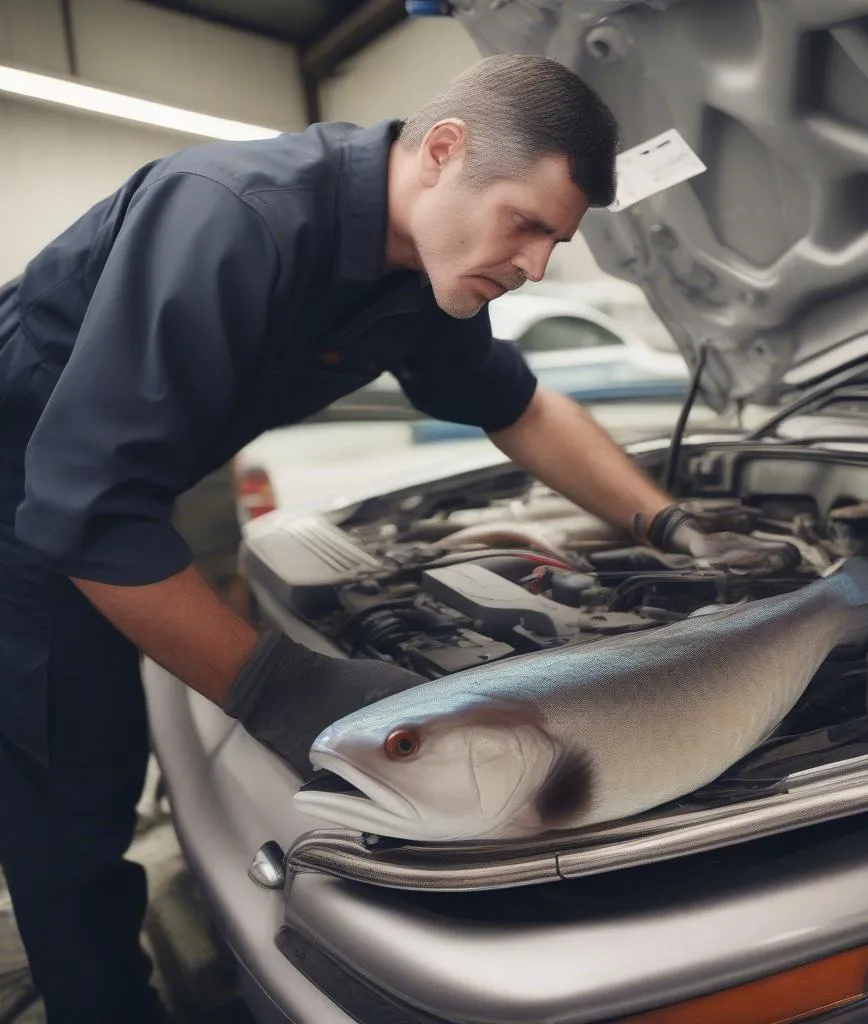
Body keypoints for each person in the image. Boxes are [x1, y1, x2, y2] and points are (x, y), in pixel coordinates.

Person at [0, 54, 690, 1022]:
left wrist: (666, 522)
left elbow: (518, 406)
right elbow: (80, 516)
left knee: (109, 753)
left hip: (118, 480)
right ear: (442, 153)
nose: (536, 266)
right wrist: (282, 688)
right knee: (69, 805)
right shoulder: (235, 219)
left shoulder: (426, 270)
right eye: (527, 225)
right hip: (22, 504)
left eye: (555, 241)